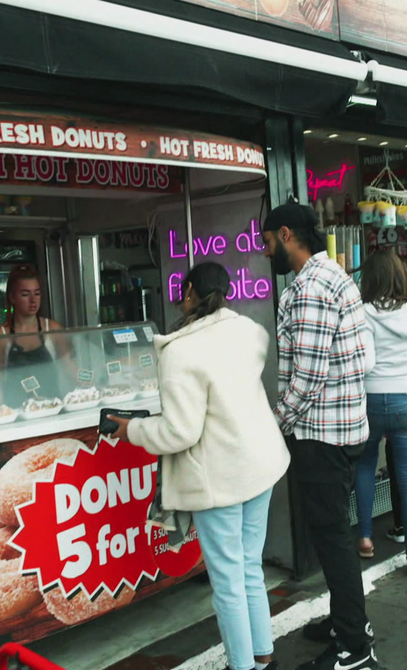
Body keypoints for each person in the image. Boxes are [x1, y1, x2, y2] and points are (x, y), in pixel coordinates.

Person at [108, 263, 288, 670]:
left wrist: (130, 429)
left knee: (227, 580)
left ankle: (242, 666)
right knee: (249, 567)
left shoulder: (181, 352)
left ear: (188, 292)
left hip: (219, 476)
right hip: (259, 463)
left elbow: (179, 432)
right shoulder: (247, 330)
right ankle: (264, 657)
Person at [262, 202, 380, 670]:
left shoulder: (309, 286)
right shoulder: (336, 275)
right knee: (335, 534)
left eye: (268, 240)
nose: (265, 249)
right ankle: (345, 621)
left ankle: (355, 647)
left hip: (322, 434)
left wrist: (275, 423)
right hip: (345, 426)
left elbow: (307, 376)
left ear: (287, 234)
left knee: (331, 538)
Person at [352, 251, 407, 576]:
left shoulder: (364, 311)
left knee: (365, 465)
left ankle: (364, 538)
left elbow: (367, 362)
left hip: (370, 399)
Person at [0, 265, 69, 406]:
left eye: (37, 293)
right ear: (12, 297)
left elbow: (70, 369)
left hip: (53, 409)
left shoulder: (53, 329)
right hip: (16, 414)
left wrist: (93, 384)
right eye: (25, 294)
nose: (33, 300)